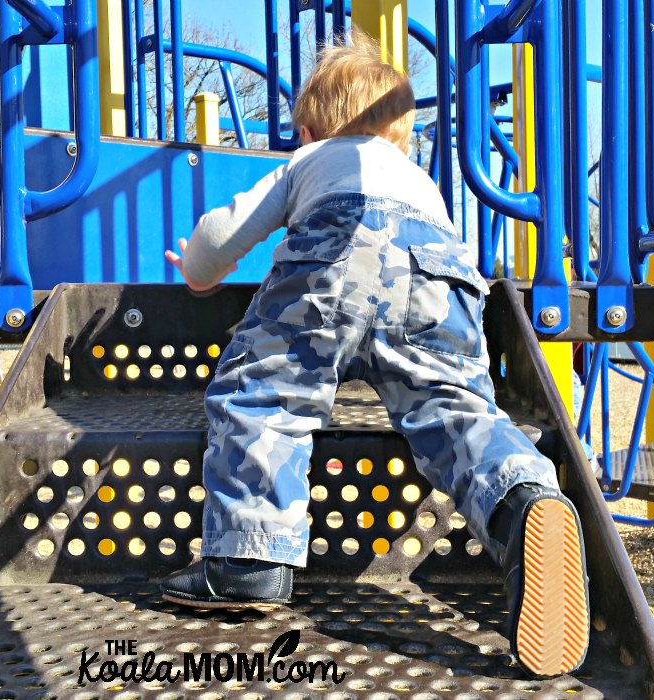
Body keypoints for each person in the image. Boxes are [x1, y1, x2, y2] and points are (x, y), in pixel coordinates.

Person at [162, 33, 590, 678]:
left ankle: (249, 560)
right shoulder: (421, 180)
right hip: (438, 275)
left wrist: (199, 270)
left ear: (308, 130)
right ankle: (522, 501)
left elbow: (225, 231)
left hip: (333, 259)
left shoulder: (310, 161)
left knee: (265, 394)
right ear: (402, 134)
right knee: (454, 407)